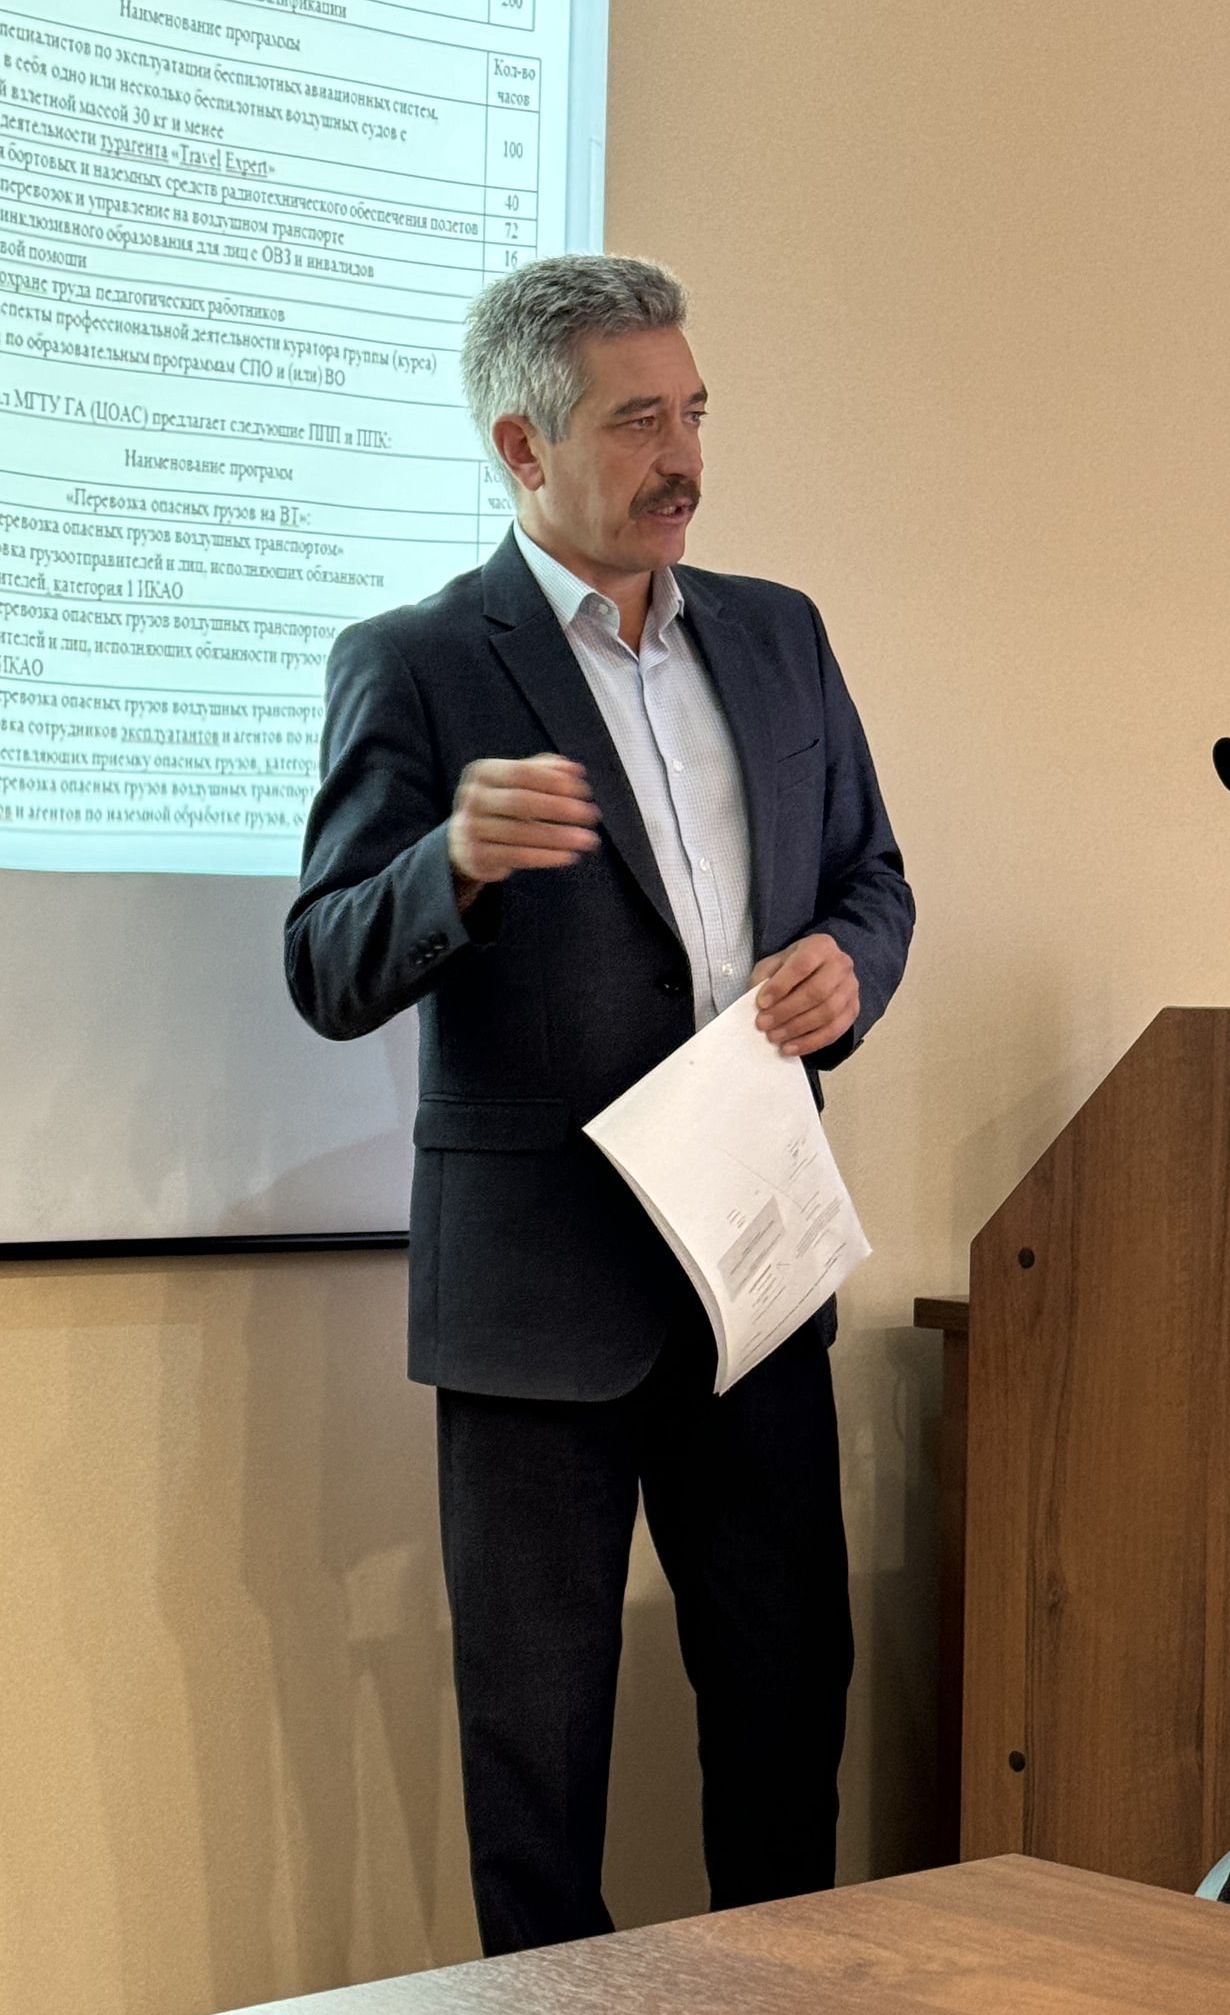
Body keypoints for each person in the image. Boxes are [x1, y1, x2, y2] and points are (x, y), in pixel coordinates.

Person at [284, 254, 914, 1955]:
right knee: (538, 1776)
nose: (683, 455)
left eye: (693, 411)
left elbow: (872, 877)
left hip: (754, 1278)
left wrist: (850, 968)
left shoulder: (778, 636)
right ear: (523, 443)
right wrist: (450, 863)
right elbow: (326, 963)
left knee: (787, 1720)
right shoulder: (419, 661)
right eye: (639, 421)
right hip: (538, 1308)